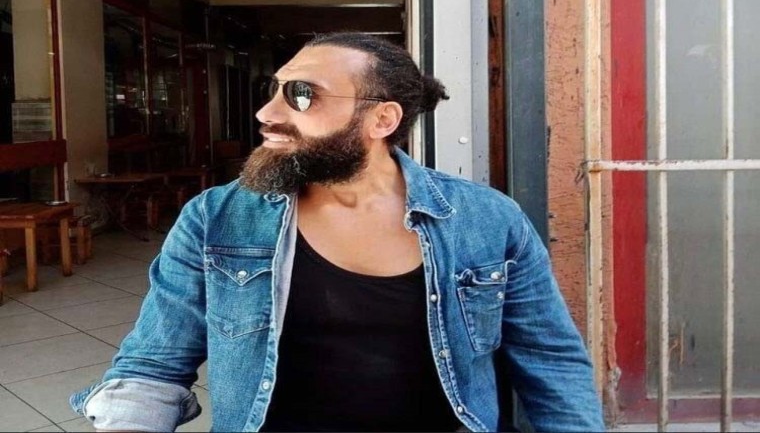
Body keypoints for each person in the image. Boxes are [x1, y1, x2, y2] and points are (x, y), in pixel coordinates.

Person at [70, 32, 603, 432]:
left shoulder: (488, 219)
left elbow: (551, 361)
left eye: (302, 95)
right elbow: (153, 365)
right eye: (275, 90)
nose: (267, 113)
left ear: (382, 120)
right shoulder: (216, 218)